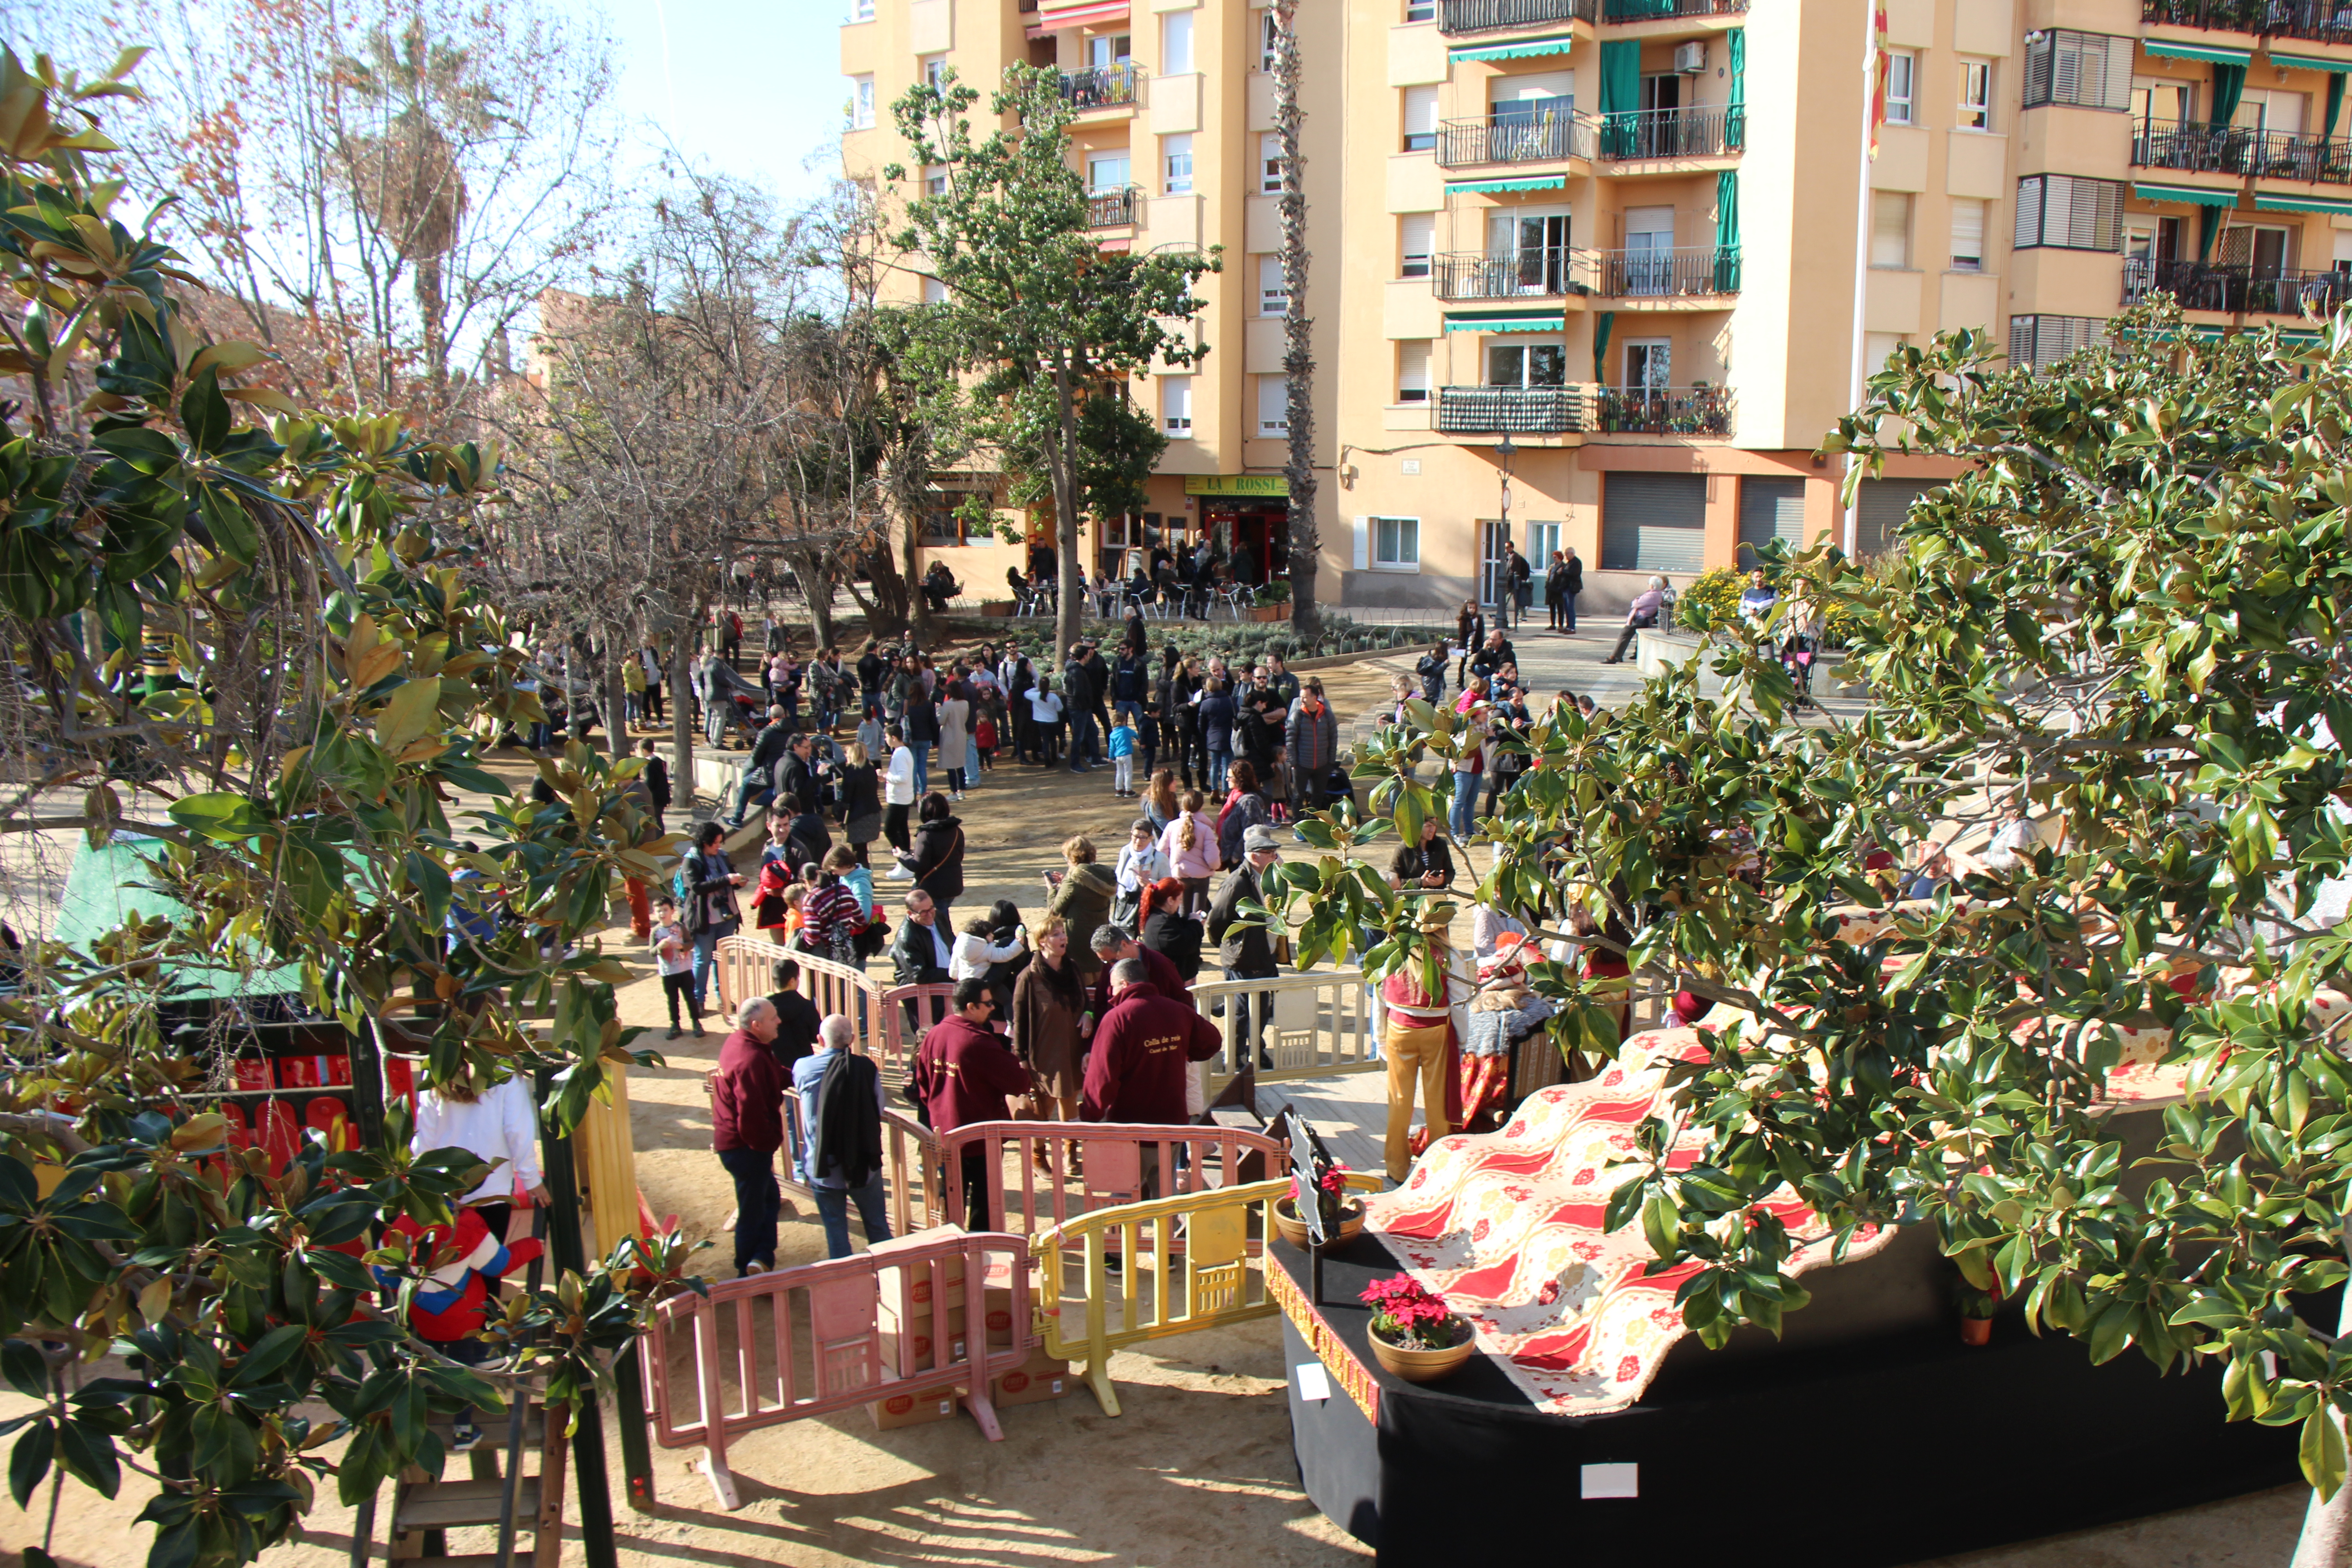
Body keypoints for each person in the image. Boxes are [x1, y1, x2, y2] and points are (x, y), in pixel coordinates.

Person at [380, 1204, 544, 1450]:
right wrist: (533, 1246)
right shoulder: (465, 1227)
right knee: (464, 1374)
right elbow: (500, 1265)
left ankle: (419, 1423)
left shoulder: (400, 1229)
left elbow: (385, 1277)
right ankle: (463, 1428)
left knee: (427, 1364)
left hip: (423, 1316)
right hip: (463, 1317)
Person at [911, 979, 1035, 1230]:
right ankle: (980, 1249)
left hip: (943, 1134)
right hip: (979, 1137)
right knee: (983, 1201)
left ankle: (948, 1245)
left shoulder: (934, 1034)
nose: (992, 1008)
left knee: (950, 1196)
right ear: (971, 1007)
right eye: (988, 1003)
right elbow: (1019, 1082)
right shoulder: (978, 1042)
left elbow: (922, 1085)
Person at [1082, 958, 1225, 1142]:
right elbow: (1212, 1042)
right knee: (1167, 1171)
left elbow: (1102, 1076)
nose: (1111, 994)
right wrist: (1186, 1053)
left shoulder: (1117, 1019)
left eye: (1113, 987)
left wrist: (1089, 1116)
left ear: (1124, 984)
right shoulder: (1178, 1010)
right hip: (1174, 1123)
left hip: (1132, 1126)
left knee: (1137, 1171)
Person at [412, 1067, 549, 1250]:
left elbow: (425, 1136)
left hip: (445, 1186)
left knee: (449, 1261)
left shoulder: (437, 1071)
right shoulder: (505, 1075)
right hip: (492, 1188)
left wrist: (423, 1182)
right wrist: (531, 1178)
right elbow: (518, 1131)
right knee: (490, 1261)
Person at [1380, 910, 1469, 1183]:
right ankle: (1437, 1166)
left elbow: (1378, 996)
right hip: (1435, 1031)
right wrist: (1464, 1041)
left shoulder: (1388, 950)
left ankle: (1395, 1166)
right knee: (1438, 1101)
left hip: (1398, 1029)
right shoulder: (1451, 956)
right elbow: (1460, 1002)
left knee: (1399, 1100)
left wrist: (1379, 1036)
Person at [795, 1013, 892, 1259]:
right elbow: (878, 1107)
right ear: (851, 1039)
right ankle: (890, 1281)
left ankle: (849, 1289)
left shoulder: (803, 1067)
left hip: (823, 1166)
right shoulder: (867, 1068)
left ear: (819, 1039)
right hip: (863, 1163)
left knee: (836, 1232)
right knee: (878, 1228)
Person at [712, 997, 789, 1277]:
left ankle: (761, 1259)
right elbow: (752, 1117)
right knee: (753, 1210)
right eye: (773, 1018)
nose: (778, 1021)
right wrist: (767, 1146)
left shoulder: (743, 1044)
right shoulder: (752, 1058)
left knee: (767, 1199)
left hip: (738, 1144)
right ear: (756, 1025)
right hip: (745, 1148)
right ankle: (747, 1269)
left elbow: (775, 1075)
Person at [1207, 824, 1283, 1068]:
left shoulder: (1271, 876)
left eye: (1275, 853)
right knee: (1241, 1012)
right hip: (1243, 959)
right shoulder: (1236, 883)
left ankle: (1256, 1051)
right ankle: (1235, 1056)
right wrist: (1232, 946)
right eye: (1269, 853)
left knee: (1262, 1008)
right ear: (1254, 856)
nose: (1275, 856)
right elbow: (1216, 920)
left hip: (1265, 954)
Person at [1012, 916, 1088, 1127]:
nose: (1064, 937)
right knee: (1042, 1108)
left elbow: (1086, 1004)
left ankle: (1070, 1153)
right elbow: (1020, 1020)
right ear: (1042, 941)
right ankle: (1039, 1157)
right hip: (1045, 1052)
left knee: (1070, 1100)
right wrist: (1022, 1058)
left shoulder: (1072, 969)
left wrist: (1088, 1016)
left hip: (1072, 1048)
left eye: (1063, 932)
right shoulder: (1029, 977)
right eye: (1056, 934)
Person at [682, 821, 745, 1017]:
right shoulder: (691, 861)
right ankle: (698, 1000)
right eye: (715, 843)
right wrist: (727, 880)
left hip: (726, 916)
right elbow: (698, 888)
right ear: (704, 842)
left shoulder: (722, 857)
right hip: (705, 918)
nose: (718, 846)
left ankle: (723, 997)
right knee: (702, 960)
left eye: (720, 842)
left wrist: (737, 884)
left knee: (722, 960)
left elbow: (728, 881)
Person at [1046, 833, 1120, 979]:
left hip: (1077, 942)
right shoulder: (1106, 874)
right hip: (1100, 937)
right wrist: (1065, 884)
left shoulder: (1074, 877)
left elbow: (1055, 910)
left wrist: (1052, 890)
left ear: (1073, 857)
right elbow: (1085, 891)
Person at [896, 792, 965, 931]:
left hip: (933, 888)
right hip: (953, 884)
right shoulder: (957, 831)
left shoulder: (926, 834)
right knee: (941, 919)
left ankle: (944, 948)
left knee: (938, 925)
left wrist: (902, 856)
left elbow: (918, 865)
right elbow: (959, 856)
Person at [1160, 789, 1222, 916]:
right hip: (1201, 878)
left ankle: (1183, 933)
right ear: (1202, 807)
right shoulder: (1206, 829)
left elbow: (1161, 852)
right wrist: (1214, 868)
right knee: (1198, 913)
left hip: (1180, 875)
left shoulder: (1172, 826)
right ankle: (1196, 933)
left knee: (1182, 911)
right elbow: (1213, 859)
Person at [649, 897, 702, 1039]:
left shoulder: (680, 927)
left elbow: (690, 943)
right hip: (668, 973)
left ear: (672, 911)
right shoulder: (655, 932)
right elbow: (651, 952)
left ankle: (696, 1023)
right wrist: (660, 946)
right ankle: (675, 1025)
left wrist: (681, 947)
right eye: (659, 911)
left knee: (690, 997)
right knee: (672, 999)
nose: (662, 914)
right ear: (654, 913)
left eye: (665, 910)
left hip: (685, 970)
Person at [798, 863, 869, 971]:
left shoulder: (811, 901)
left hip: (825, 958)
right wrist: (845, 928)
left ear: (805, 881)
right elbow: (861, 920)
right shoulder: (843, 889)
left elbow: (812, 939)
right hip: (846, 950)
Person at [1285, 680, 1340, 815]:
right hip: (1302, 765)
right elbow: (1290, 739)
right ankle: (1298, 824)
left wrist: (1330, 761)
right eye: (1301, 696)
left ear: (1315, 698)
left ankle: (1313, 825)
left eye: (1305, 697)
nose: (1302, 700)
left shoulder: (1327, 715)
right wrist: (1293, 762)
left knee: (1318, 797)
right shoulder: (1297, 716)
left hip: (1322, 765)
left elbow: (1334, 738)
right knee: (1298, 796)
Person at [1137, 876, 1203, 983]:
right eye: (1180, 899)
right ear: (1170, 900)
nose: (1180, 903)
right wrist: (1195, 923)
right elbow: (1186, 944)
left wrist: (1190, 921)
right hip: (1170, 983)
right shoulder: (1161, 925)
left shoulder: (1159, 917)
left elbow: (1178, 930)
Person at [765, 956, 824, 1068]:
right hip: (804, 1066)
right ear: (792, 981)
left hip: (775, 1067)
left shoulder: (765, 1008)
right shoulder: (806, 1006)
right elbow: (815, 1035)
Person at [1215, 760, 1272, 870]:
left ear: (1240, 779)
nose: (1227, 779)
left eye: (1230, 777)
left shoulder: (1249, 802)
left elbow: (1252, 833)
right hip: (1233, 856)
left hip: (1242, 860)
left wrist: (1236, 856)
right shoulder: (1234, 798)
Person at [1602, 575, 1670, 665]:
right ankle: (1619, 655)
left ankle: (1615, 657)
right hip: (1643, 619)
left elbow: (1636, 604)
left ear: (1652, 585)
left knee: (1625, 633)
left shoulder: (1652, 595)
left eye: (1650, 584)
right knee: (1625, 633)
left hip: (1640, 620)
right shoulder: (1657, 594)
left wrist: (1637, 599)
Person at [835, 740, 882, 868]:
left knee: (859, 852)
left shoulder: (852, 772)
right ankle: (866, 878)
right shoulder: (870, 769)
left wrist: (840, 818)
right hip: (873, 814)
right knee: (863, 851)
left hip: (858, 817)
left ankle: (864, 879)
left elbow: (846, 799)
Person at [882, 726, 917, 872]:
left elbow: (902, 777)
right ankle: (906, 860)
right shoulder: (903, 752)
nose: (885, 739)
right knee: (902, 828)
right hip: (903, 797)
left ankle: (903, 859)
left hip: (898, 798)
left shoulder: (900, 754)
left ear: (894, 738)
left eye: (887, 737)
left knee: (889, 830)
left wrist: (886, 776)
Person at [1390, 815, 1456, 890]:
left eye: (1435, 825)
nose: (1432, 830)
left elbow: (1450, 871)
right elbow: (1393, 881)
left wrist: (1443, 880)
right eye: (1428, 826)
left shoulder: (1441, 845)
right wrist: (1420, 882)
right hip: (1412, 897)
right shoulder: (1403, 849)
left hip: (1437, 895)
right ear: (1417, 827)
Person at [938, 681, 971, 801]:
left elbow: (941, 721)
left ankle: (953, 792)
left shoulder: (947, 705)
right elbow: (966, 718)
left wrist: (938, 710)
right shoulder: (965, 704)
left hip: (949, 737)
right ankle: (962, 790)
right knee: (960, 764)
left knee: (950, 766)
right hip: (961, 735)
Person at [1029, 675, 1066, 768]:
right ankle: (1054, 757)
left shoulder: (1035, 696)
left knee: (1045, 741)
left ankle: (1047, 760)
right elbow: (1060, 708)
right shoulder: (1054, 697)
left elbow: (1026, 693)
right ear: (1049, 686)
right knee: (1053, 740)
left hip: (1041, 721)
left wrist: (1037, 689)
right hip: (1053, 721)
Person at [1107, 708, 1139, 798]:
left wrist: (1111, 757)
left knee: (1119, 773)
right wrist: (1137, 739)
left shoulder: (1113, 734)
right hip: (1127, 754)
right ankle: (1128, 790)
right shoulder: (1126, 730)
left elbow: (1112, 747)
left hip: (1118, 756)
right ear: (1124, 721)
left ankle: (1119, 789)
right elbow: (1135, 734)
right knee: (1128, 773)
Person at [1738, 566, 1778, 633]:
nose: (1759, 579)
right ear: (1753, 577)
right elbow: (1741, 611)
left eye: (1761, 577)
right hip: (1751, 631)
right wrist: (1749, 612)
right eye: (1756, 577)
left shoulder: (1773, 592)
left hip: (1767, 631)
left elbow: (1779, 611)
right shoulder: (1747, 593)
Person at [1141, 769, 1181, 836]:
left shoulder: (1170, 797)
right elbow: (1168, 829)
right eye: (1172, 781)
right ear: (1163, 785)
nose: (1175, 782)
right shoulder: (1155, 806)